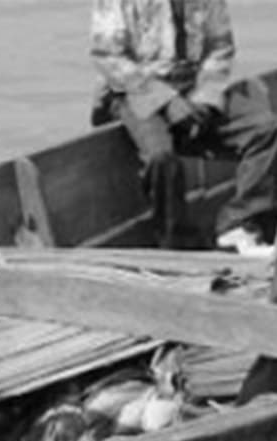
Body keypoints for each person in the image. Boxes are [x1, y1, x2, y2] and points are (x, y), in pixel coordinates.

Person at [90, 0, 277, 254]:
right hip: (133, 91)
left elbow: (220, 48)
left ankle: (238, 224)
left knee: (265, 129)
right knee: (161, 156)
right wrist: (167, 102)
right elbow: (109, 58)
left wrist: (203, 96)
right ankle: (176, 243)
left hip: (193, 86)